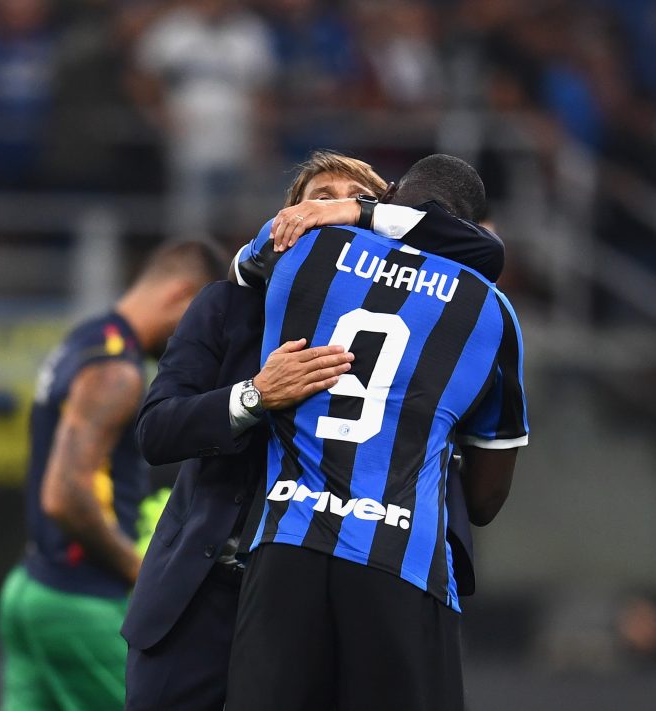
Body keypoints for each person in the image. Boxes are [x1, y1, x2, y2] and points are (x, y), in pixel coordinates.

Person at [122, 150, 505, 710]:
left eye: (353, 202)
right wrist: (255, 395)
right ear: (289, 220)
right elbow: (157, 431)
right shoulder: (229, 306)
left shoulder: (429, 335)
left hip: (331, 594)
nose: (333, 211)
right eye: (319, 200)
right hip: (207, 593)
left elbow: (481, 247)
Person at [225, 154, 528, 711]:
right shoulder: (491, 310)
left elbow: (239, 276)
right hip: (402, 563)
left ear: (387, 198)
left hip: (287, 547)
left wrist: (353, 215)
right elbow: (486, 496)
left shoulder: (301, 244)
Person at [0, 241, 224, 711]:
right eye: (200, 318)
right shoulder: (117, 371)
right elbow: (64, 494)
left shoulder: (87, 338)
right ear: (181, 293)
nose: (199, 336)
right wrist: (140, 571)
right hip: (81, 600)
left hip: (31, 586)